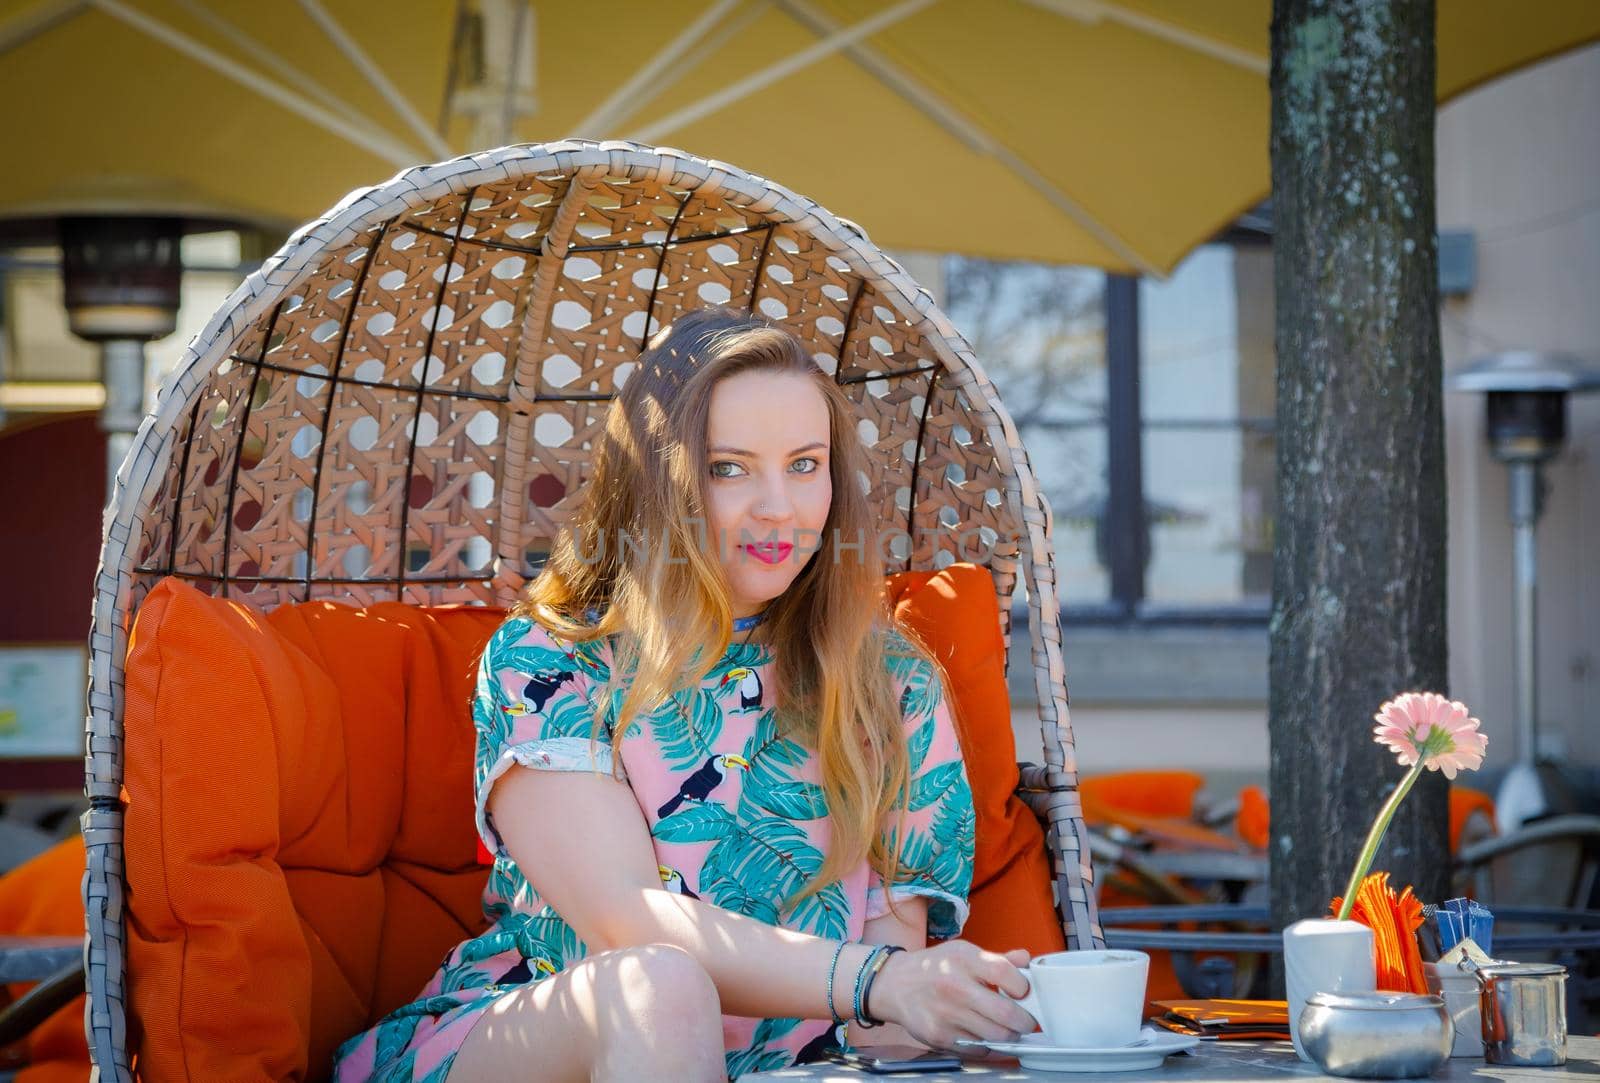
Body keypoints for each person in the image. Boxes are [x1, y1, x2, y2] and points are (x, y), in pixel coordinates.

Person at [332, 306, 1034, 1083]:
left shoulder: (891, 683)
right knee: (659, 986)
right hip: (544, 1046)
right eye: (728, 467)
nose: (779, 506)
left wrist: (948, 1002)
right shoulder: (553, 660)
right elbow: (625, 922)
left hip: (793, 1072)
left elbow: (890, 1008)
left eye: (805, 463)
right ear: (656, 481)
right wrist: (878, 984)